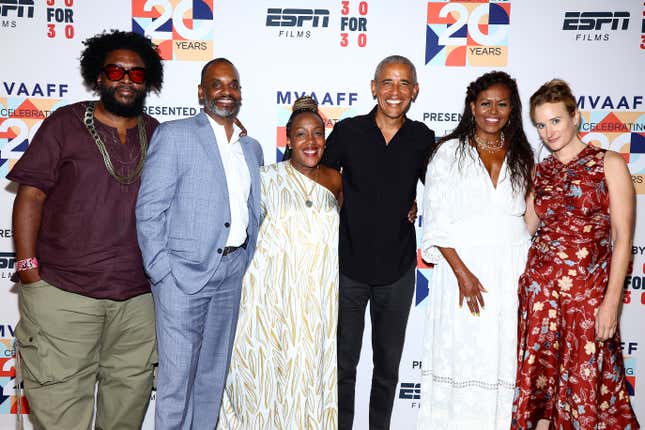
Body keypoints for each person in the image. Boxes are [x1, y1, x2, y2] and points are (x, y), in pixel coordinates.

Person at [7, 30, 163, 430]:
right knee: (61, 414)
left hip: (138, 302)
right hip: (62, 295)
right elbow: (31, 196)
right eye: (115, 70)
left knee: (125, 415)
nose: (126, 79)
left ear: (149, 81)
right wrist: (28, 271)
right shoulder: (65, 123)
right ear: (98, 76)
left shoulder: (159, 132)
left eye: (137, 74)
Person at [135, 58, 263, 429]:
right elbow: (149, 210)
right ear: (201, 92)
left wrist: (242, 261)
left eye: (233, 84)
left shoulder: (250, 147)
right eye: (217, 84)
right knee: (176, 383)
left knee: (211, 379)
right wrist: (162, 272)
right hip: (182, 277)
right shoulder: (175, 135)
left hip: (231, 273)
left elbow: (250, 209)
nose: (227, 91)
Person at [511, 79, 639, 430]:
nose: (548, 131)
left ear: (575, 117)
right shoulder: (541, 172)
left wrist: (611, 302)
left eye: (555, 121)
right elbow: (527, 226)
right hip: (540, 297)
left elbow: (623, 238)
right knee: (539, 389)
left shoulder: (608, 163)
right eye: (540, 124)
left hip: (587, 298)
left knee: (586, 388)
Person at [322, 55, 435, 429]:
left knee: (387, 370)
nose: (395, 91)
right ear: (373, 87)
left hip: (398, 270)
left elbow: (441, 190)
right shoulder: (349, 131)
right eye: (387, 82)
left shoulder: (422, 138)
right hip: (349, 268)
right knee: (343, 367)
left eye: (404, 83)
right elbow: (316, 176)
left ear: (415, 91)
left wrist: (418, 204)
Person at [417, 71, 534, 429]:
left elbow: (528, 217)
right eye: (486, 103)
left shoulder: (521, 153)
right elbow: (436, 222)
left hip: (511, 268)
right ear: (472, 107)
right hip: (462, 270)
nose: (493, 111)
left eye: (501, 103)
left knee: (502, 357)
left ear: (511, 109)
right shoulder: (449, 152)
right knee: (465, 355)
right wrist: (463, 275)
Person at [217, 96, 342, 429]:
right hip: (267, 298)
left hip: (315, 302)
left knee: (307, 373)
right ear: (288, 140)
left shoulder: (336, 181)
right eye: (301, 134)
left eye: (317, 133)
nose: (310, 141)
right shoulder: (264, 178)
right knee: (262, 374)